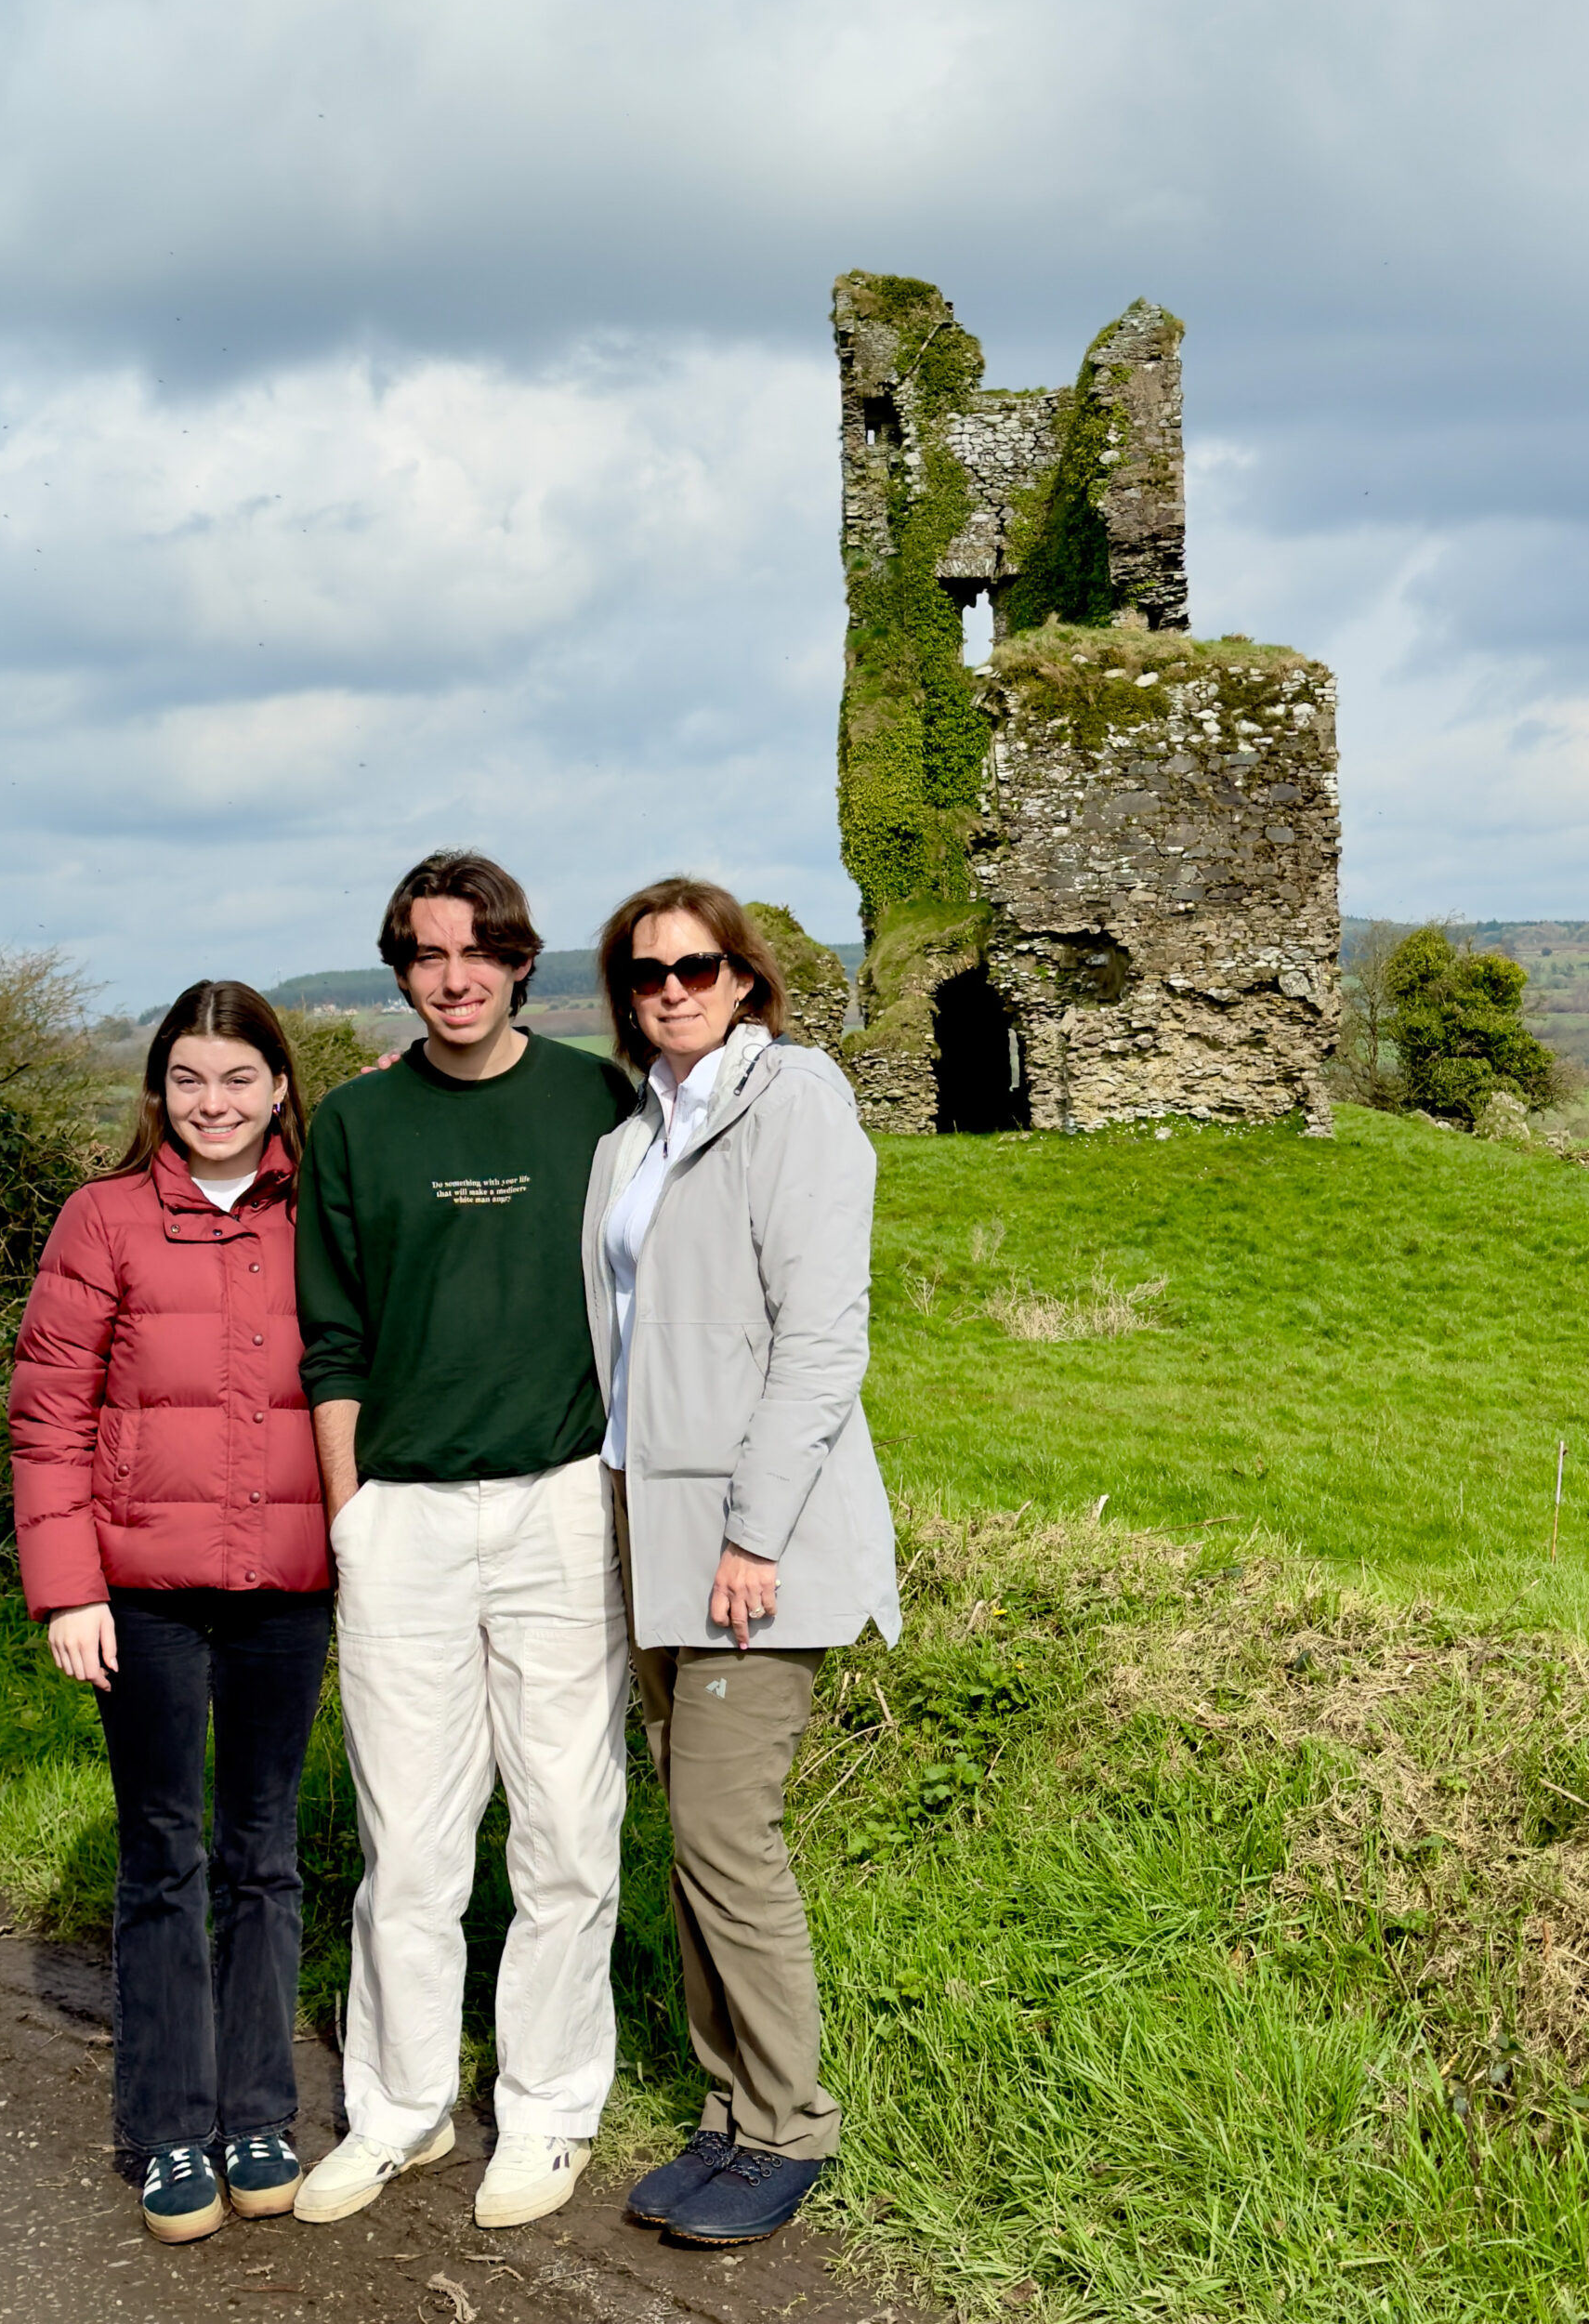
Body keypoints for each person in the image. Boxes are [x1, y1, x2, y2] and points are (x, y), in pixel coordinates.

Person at [293, 850, 636, 2232]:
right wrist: (350, 1514)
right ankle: (401, 2111)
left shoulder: (595, 1102)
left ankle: (547, 2114)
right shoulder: (359, 1129)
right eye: (429, 956)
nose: (455, 977)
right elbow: (331, 1338)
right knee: (412, 1841)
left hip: (562, 1500)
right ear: (402, 970)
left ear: (518, 962)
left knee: (564, 1826)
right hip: (406, 1516)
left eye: (479, 952)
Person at [581, 877, 900, 2248]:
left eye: (698, 968)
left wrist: (753, 1533)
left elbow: (823, 1337)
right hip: (643, 1532)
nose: (672, 989)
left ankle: (789, 2126)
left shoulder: (797, 1102)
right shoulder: (629, 1137)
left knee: (725, 1834)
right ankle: (727, 2112)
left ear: (745, 978)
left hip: (750, 1545)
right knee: (688, 1834)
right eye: (646, 973)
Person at [10, 982, 331, 2245]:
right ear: (160, 1092)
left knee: (262, 1857)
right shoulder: (102, 1220)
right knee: (164, 1859)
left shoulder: (319, 1214)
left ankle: (258, 2114)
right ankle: (168, 2130)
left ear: (278, 1089)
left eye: (237, 1081)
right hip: (139, 1594)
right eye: (190, 1081)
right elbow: (49, 1412)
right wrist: (69, 1586)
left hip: (288, 1592)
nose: (214, 1104)